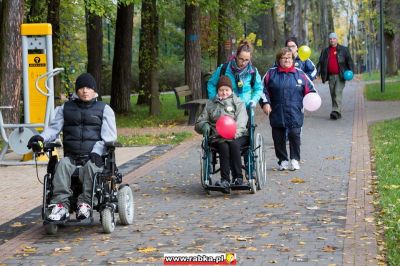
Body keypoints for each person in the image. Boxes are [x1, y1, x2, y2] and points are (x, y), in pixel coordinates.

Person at [27, 73, 117, 221]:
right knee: (62, 165)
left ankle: (85, 204)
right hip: (72, 157)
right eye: (81, 88)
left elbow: (109, 137)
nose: (85, 91)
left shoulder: (104, 109)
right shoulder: (65, 109)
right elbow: (53, 129)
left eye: (89, 88)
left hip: (94, 157)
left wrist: (97, 151)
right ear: (77, 91)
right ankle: (60, 205)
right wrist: (41, 137)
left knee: (90, 167)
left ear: (95, 91)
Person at [260, 47, 317, 171]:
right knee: (278, 137)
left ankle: (295, 159)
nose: (287, 60)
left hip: (295, 111)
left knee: (294, 134)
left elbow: (311, 90)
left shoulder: (300, 74)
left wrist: (311, 101)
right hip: (277, 111)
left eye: (289, 58)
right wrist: (265, 103)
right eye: (284, 58)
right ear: (279, 60)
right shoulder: (271, 73)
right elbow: (262, 89)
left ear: (293, 59)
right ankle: (283, 160)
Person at [195, 76, 248, 194]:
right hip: (218, 137)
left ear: (231, 90)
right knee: (224, 147)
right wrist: (204, 126)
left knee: (233, 145)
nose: (224, 92)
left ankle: (238, 178)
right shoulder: (210, 103)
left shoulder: (238, 102)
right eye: (221, 90)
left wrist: (235, 133)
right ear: (217, 91)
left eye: (227, 90)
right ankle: (225, 180)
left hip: (237, 135)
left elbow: (242, 120)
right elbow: (199, 122)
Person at [207, 40, 263, 109]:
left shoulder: (253, 72)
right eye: (241, 59)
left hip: (245, 110)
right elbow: (211, 84)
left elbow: (259, 88)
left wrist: (254, 100)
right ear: (236, 55)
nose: (243, 63)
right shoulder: (224, 69)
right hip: (225, 109)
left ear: (250, 58)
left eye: (246, 60)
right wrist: (214, 99)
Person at [317, 32, 354, 120]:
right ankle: (337, 112)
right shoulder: (325, 51)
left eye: (333, 38)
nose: (332, 40)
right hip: (330, 76)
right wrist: (317, 73)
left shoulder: (344, 50)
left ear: (337, 39)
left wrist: (351, 71)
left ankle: (336, 110)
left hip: (341, 75)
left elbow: (349, 61)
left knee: (337, 92)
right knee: (333, 94)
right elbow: (321, 63)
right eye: (330, 39)